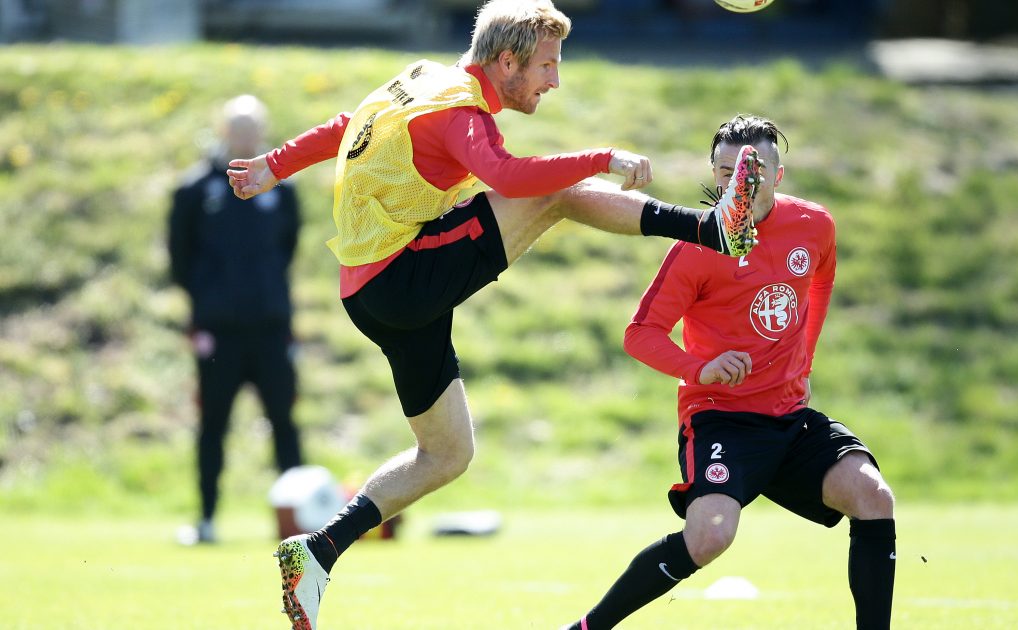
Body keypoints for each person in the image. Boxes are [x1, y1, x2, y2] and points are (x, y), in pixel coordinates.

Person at [224, 1, 762, 627]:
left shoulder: (423, 78)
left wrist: (273, 164)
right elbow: (505, 173)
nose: (553, 81)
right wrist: (602, 157)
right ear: (505, 61)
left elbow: (349, 122)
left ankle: (317, 551)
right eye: (546, 66)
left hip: (371, 294)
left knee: (446, 455)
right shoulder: (457, 108)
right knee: (557, 192)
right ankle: (712, 228)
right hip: (403, 277)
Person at [560, 115, 897, 630]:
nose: (739, 183)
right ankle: (585, 628)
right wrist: (703, 368)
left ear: (778, 175)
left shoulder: (814, 225)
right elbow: (640, 333)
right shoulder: (697, 246)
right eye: (726, 173)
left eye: (752, 172)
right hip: (722, 419)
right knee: (710, 537)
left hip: (790, 416)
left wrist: (805, 358)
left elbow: (822, 282)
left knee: (873, 496)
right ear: (715, 175)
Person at [168, 94, 304, 545]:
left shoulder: (281, 191)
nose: (245, 135)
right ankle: (206, 519)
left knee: (285, 423)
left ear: (262, 132)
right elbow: (180, 260)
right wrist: (210, 306)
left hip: (270, 330)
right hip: (219, 335)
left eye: (253, 128)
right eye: (237, 127)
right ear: (223, 131)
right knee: (213, 427)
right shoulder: (196, 189)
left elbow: (287, 249)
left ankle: (298, 526)